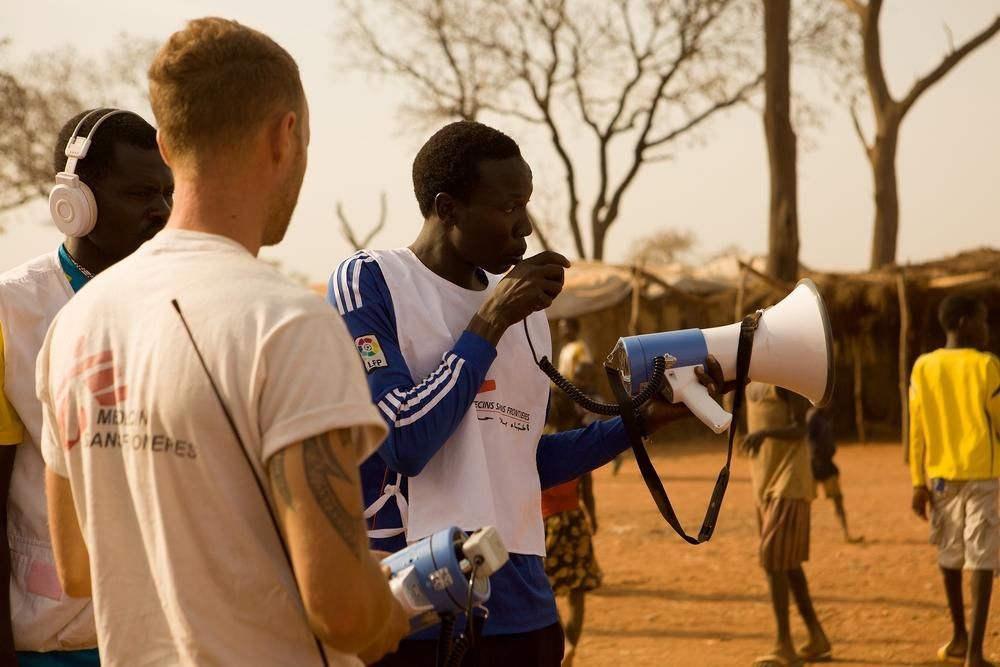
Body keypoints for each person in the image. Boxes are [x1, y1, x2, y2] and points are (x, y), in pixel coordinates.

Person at [34, 18, 407, 667]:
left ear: (168, 147)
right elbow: (345, 613)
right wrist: (394, 602)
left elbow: (77, 567)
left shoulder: (75, 321)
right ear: (284, 135)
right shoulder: (289, 322)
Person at [329, 119, 729, 666]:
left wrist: (642, 419)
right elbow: (403, 440)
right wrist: (489, 320)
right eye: (508, 207)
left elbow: (521, 461)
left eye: (527, 206)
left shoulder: (528, 317)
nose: (524, 230)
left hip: (525, 608)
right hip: (420, 607)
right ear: (447, 209)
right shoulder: (370, 281)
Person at [0, 107, 172, 666]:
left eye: (169, 193)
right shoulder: (11, 313)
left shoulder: (181, 304)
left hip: (163, 636)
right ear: (75, 203)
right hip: (53, 640)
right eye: (142, 193)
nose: (163, 211)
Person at [909, 293, 1000, 667]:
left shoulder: (923, 367)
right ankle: (976, 654)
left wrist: (918, 481)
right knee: (981, 557)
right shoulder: (987, 365)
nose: (987, 329)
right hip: (984, 475)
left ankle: (959, 637)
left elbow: (916, 430)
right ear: (963, 321)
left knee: (948, 553)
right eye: (982, 320)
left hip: (940, 477)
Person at [742, 382, 830, 667]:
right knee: (787, 563)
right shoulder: (749, 380)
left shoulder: (786, 379)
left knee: (772, 559)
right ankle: (817, 637)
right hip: (764, 482)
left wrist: (766, 433)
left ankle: (784, 645)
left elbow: (801, 428)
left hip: (789, 481)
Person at [541, 361, 603, 667]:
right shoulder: (576, 441)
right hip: (574, 520)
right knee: (578, 591)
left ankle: (560, 644)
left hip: (545, 525)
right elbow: (587, 487)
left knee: (545, 592)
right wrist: (592, 517)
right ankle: (572, 647)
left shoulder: (537, 443)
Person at [805, 405, 862, 543]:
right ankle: (801, 536)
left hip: (827, 464)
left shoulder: (825, 416)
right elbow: (806, 439)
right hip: (814, 465)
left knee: (837, 499)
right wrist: (813, 458)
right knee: (805, 503)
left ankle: (845, 533)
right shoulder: (812, 416)